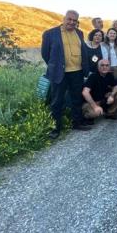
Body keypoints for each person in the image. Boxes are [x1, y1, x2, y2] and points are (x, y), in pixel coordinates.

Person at [41, 10, 90, 139]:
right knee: (57, 101)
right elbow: (45, 54)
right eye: (69, 19)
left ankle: (77, 123)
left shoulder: (79, 33)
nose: (72, 22)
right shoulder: (50, 34)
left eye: (75, 20)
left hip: (77, 72)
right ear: (64, 18)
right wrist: (55, 66)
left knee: (76, 99)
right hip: (59, 73)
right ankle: (55, 128)